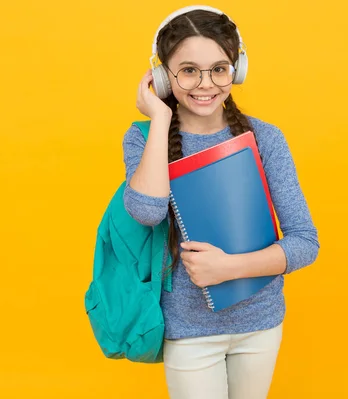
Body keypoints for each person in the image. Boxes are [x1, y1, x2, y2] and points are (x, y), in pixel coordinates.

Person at [122, 6, 319, 399]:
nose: (205, 83)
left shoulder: (266, 138)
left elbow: (305, 242)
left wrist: (229, 268)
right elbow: (147, 210)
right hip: (189, 330)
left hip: (260, 324)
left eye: (219, 68)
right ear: (163, 75)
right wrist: (159, 119)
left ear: (237, 69)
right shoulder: (144, 139)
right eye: (188, 70)